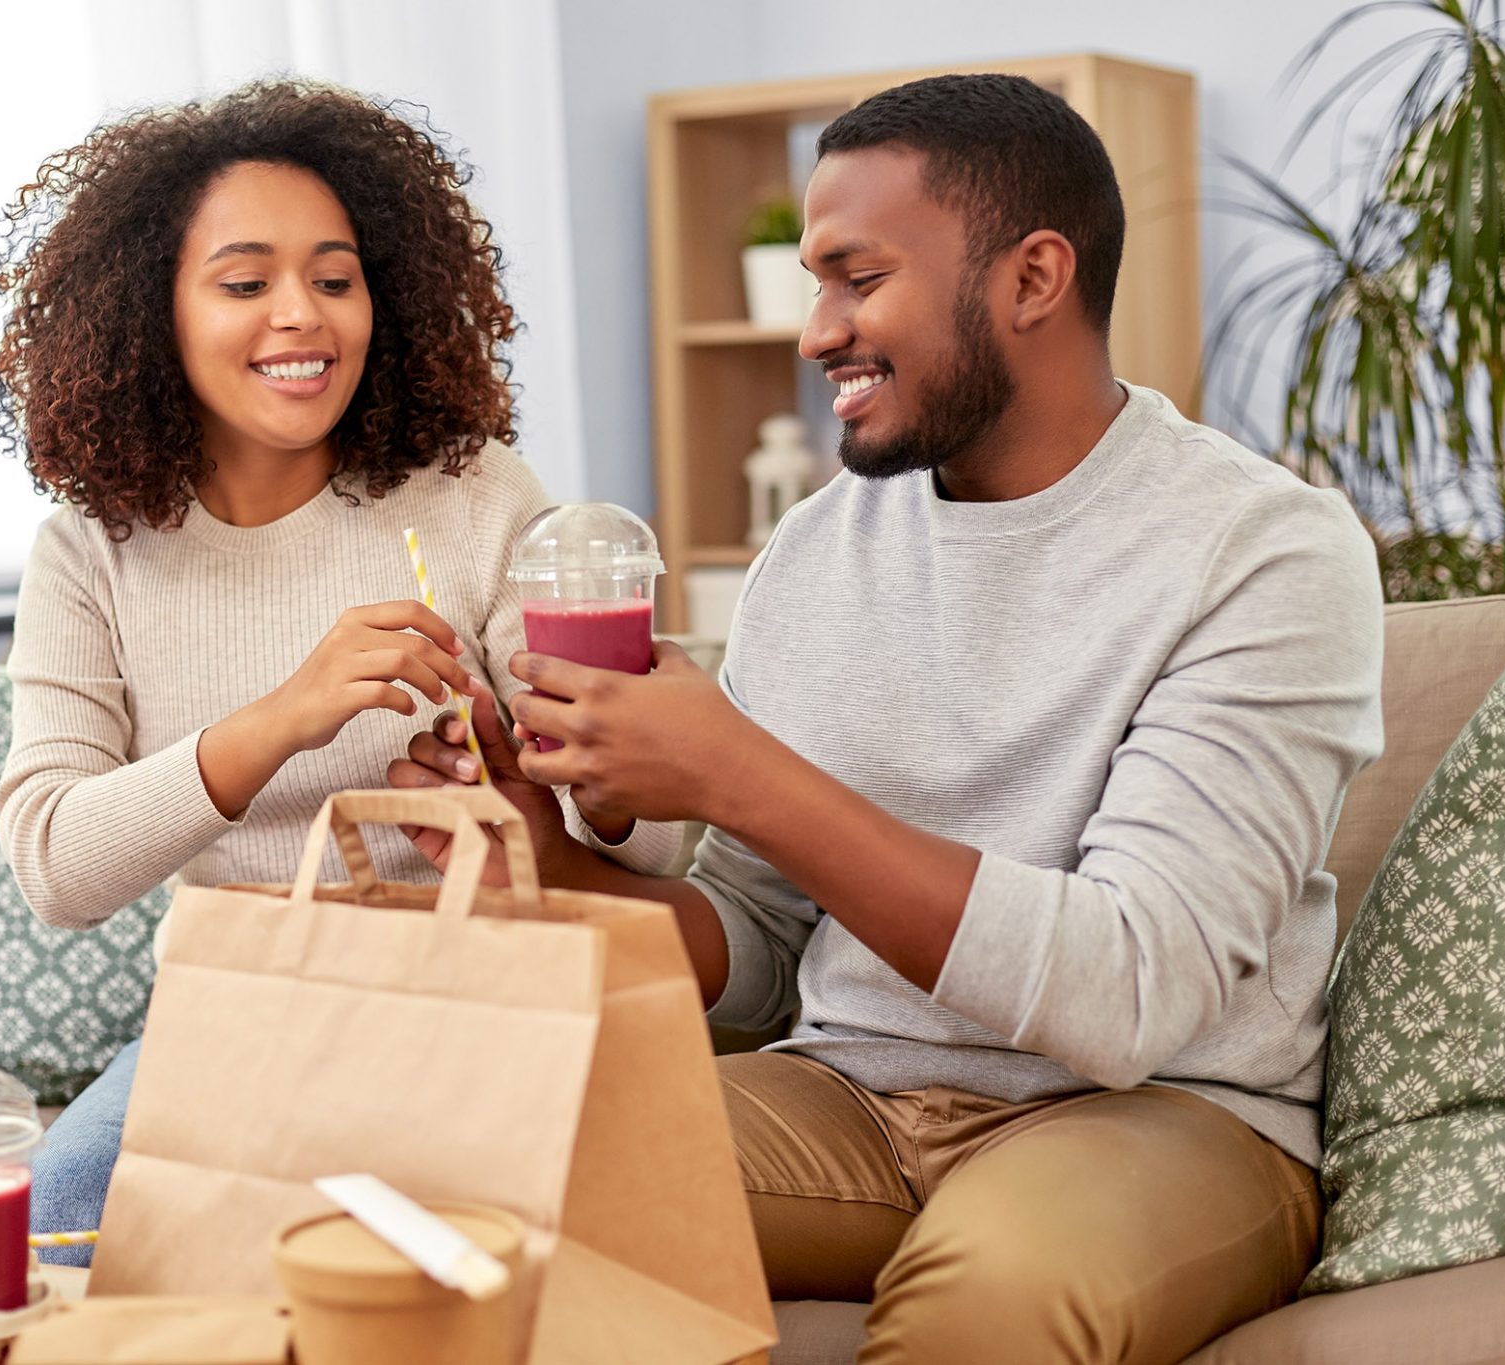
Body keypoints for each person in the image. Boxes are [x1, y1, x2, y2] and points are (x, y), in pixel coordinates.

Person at [392, 74, 1385, 1363]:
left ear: (1031, 279)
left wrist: (737, 773)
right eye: (814, 283)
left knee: (993, 1296)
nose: (816, 333)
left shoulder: (1261, 552)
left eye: (856, 280)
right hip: (846, 1097)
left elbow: (1131, 994)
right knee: (461, 1177)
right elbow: (755, 947)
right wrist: (551, 865)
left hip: (1164, 1116)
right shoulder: (816, 551)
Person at [0, 79, 679, 1265]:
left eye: (335, 278)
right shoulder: (88, 550)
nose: (301, 316)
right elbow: (54, 863)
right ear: (151, 313)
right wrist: (284, 719)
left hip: (470, 1004)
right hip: (241, 1011)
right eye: (246, 282)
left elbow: (650, 845)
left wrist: (541, 782)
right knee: (68, 1214)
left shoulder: (471, 498)